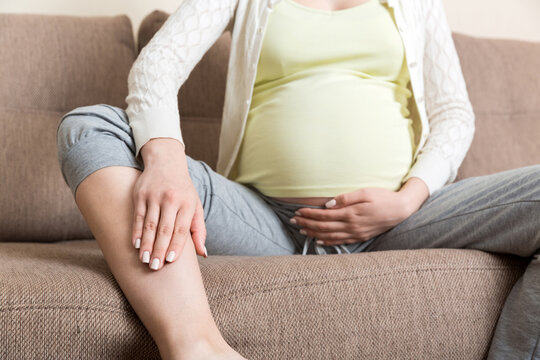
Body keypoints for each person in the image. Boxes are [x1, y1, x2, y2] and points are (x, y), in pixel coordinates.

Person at [55, 0, 540, 359]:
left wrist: (408, 199)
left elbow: (454, 113)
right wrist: (165, 163)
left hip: (400, 223)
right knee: (88, 126)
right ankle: (196, 346)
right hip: (263, 220)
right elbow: (158, 66)